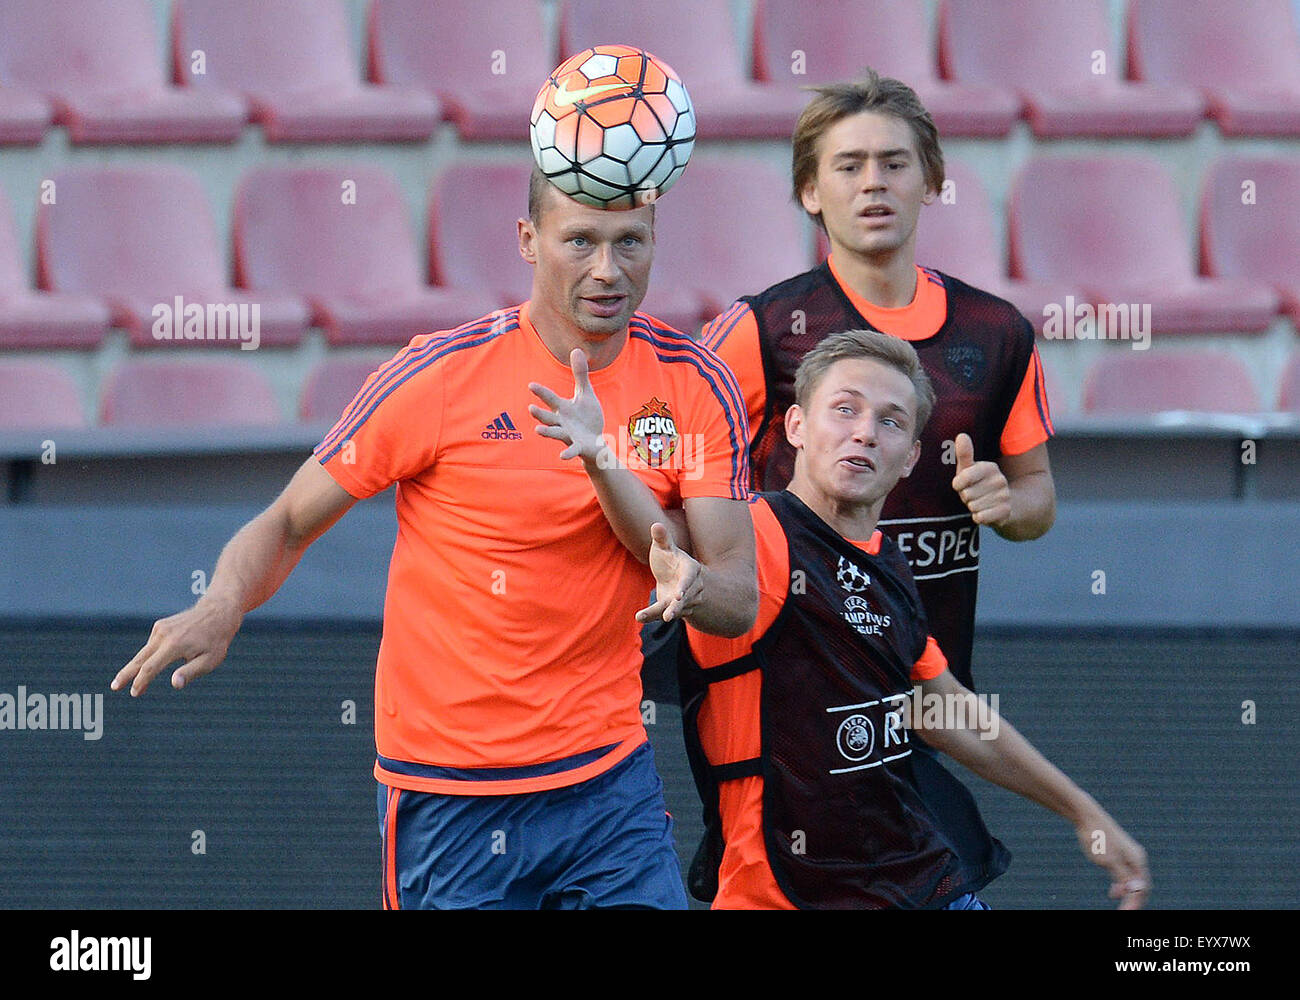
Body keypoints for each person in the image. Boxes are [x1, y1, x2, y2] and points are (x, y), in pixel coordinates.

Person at [110, 165, 757, 910]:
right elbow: (289, 519)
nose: (607, 269)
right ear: (528, 240)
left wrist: (695, 583)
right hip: (449, 793)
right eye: (579, 240)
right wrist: (224, 602)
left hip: (608, 787)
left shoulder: (695, 384)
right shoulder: (441, 375)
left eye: (629, 243)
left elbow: (737, 595)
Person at [660, 328, 1149, 909]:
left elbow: (948, 712)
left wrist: (1084, 812)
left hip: (920, 884)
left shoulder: (887, 562)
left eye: (891, 422)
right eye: (844, 409)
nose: (865, 432)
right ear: (794, 426)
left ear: (912, 456)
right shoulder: (752, 535)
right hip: (783, 892)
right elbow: (657, 532)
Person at [701, 68, 1055, 696]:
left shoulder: (998, 331)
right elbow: (687, 478)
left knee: (953, 801)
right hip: (791, 689)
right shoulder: (760, 327)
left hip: (934, 689)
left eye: (894, 164)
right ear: (810, 191)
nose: (873, 183)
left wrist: (1006, 505)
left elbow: (1037, 502)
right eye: (848, 166)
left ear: (932, 183)